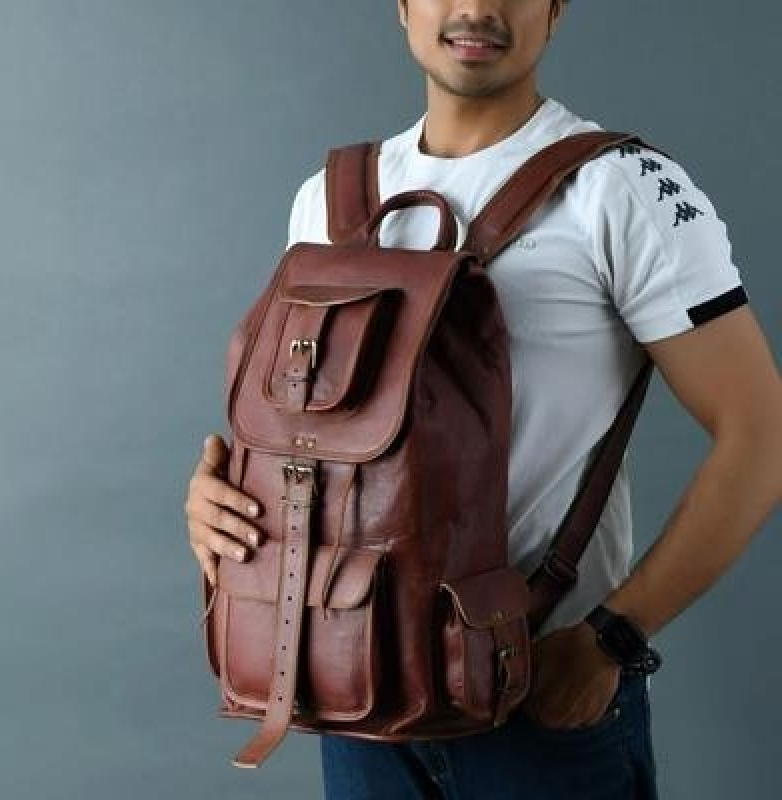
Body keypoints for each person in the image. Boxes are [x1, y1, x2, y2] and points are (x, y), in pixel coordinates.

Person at [184, 1, 782, 797]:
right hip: (355, 693)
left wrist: (613, 636)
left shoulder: (621, 188)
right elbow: (314, 438)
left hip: (540, 701)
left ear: (554, 10)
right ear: (403, 6)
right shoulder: (327, 199)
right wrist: (223, 502)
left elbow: (762, 433)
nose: (477, 8)